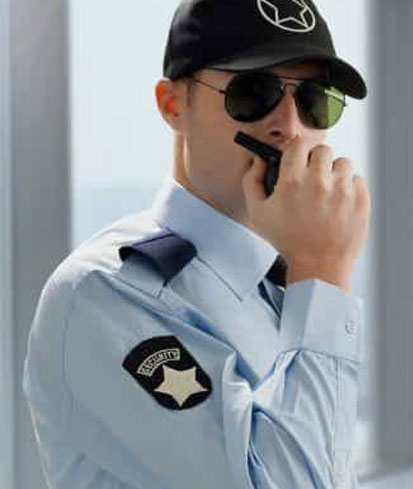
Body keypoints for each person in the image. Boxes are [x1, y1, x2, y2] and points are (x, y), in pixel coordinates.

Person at [21, 0, 370, 488]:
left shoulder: (286, 285)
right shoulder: (103, 293)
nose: (290, 128)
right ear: (173, 105)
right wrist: (322, 268)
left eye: (314, 99)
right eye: (254, 92)